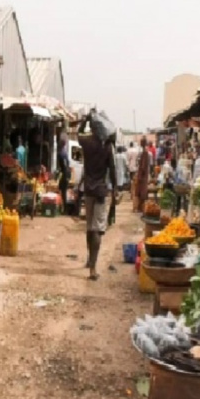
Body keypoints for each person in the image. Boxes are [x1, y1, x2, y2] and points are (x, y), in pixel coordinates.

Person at [78, 111, 117, 281]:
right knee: (97, 229)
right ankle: (93, 268)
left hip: (88, 190)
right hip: (101, 191)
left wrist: (85, 120)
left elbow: (79, 133)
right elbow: (113, 170)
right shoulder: (108, 147)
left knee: (89, 227)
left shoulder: (87, 142)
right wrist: (115, 188)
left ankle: (89, 259)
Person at [134, 137, 151, 213]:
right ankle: (140, 208)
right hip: (143, 175)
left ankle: (141, 208)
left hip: (143, 176)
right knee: (141, 192)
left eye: (141, 142)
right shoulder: (144, 151)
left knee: (142, 193)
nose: (140, 143)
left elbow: (143, 166)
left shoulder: (145, 152)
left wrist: (140, 175)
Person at [57, 132, 71, 211]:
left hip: (65, 174)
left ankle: (64, 208)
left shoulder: (62, 153)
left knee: (63, 190)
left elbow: (65, 165)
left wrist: (65, 175)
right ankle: (62, 206)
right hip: (65, 173)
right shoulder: (63, 152)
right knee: (62, 190)